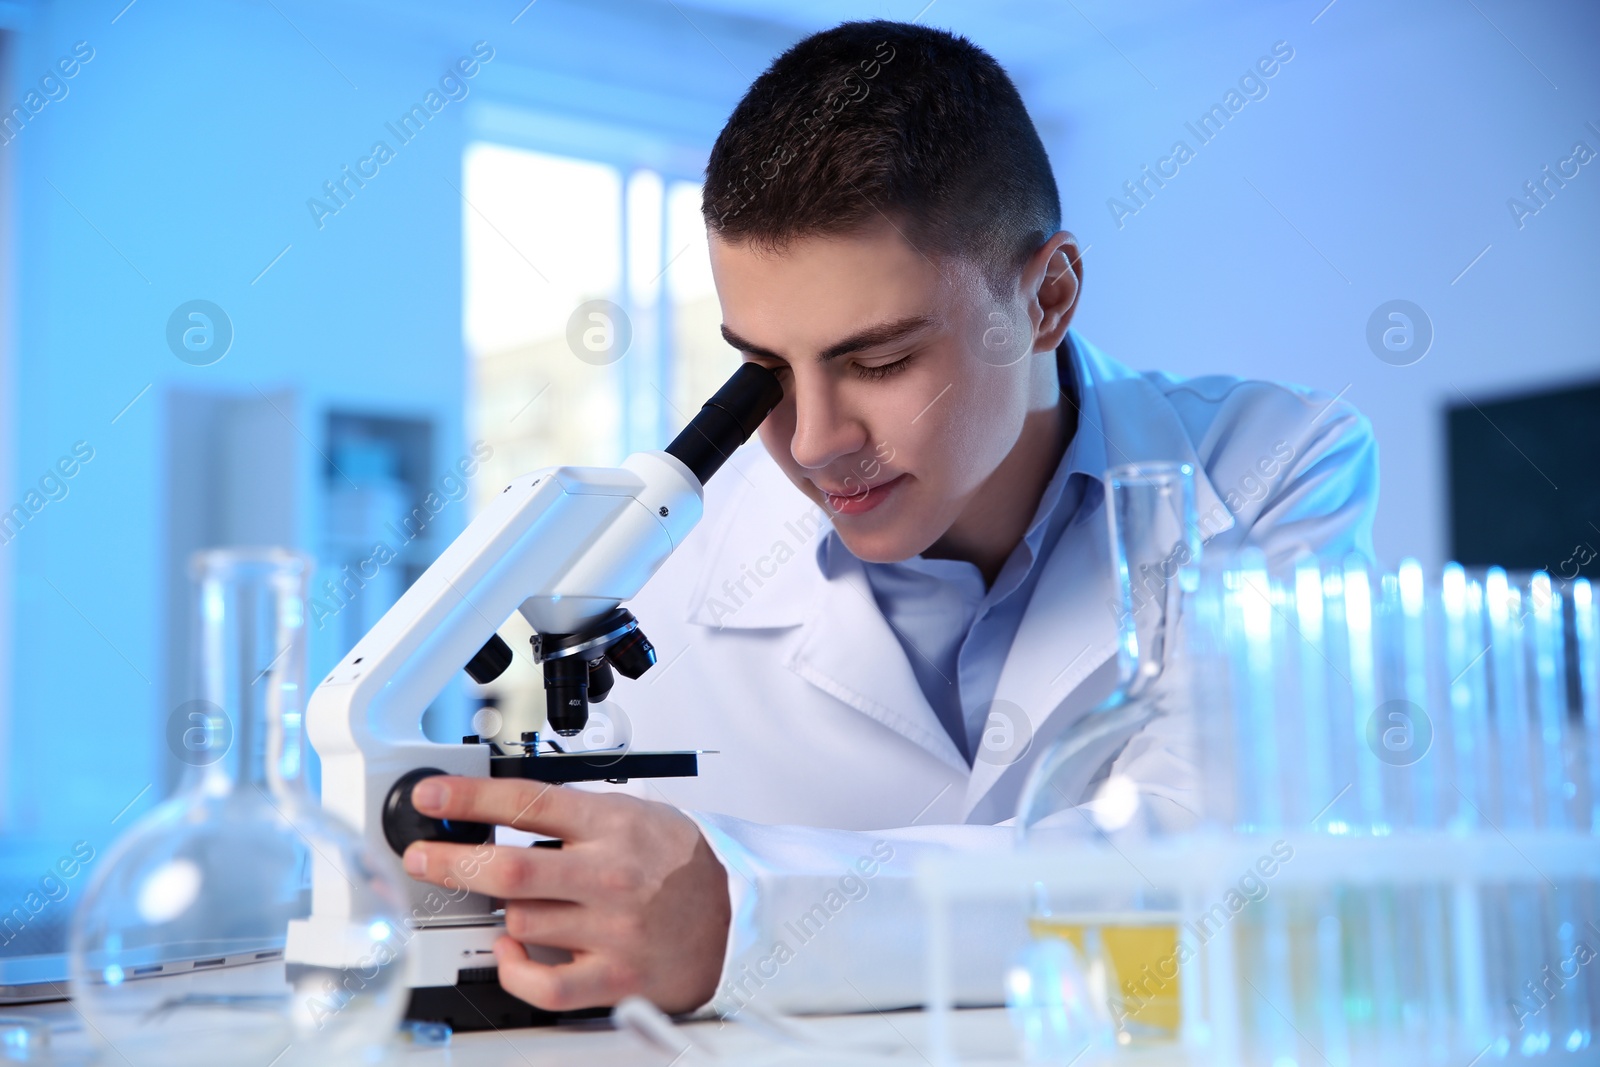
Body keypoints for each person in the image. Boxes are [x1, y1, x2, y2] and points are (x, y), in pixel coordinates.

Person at [397, 19, 1378, 1019]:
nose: (815, 440)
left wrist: (745, 913)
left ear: (1047, 295)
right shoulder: (666, 564)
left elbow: (1234, 871)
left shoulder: (1270, 464)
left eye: (878, 362)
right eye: (764, 370)